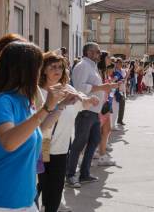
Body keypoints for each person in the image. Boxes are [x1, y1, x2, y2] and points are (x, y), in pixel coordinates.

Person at [0, 42, 71, 211]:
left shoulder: (25, 100)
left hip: (25, 200)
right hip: (3, 201)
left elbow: (38, 130)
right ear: (24, 70)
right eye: (38, 68)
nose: (39, 73)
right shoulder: (3, 101)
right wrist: (46, 108)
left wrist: (61, 105)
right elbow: (9, 142)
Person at [37, 52, 99, 212]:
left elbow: (81, 101)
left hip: (61, 148)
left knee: (56, 191)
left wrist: (89, 100)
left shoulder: (68, 88)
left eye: (60, 67)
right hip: (40, 147)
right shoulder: (37, 92)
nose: (57, 70)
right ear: (43, 70)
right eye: (53, 67)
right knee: (39, 187)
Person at [67, 42, 111, 187]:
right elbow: (80, 88)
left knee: (94, 140)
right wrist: (102, 87)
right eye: (97, 52)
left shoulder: (92, 66)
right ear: (89, 52)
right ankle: (70, 175)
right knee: (79, 143)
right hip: (85, 111)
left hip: (94, 112)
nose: (100, 54)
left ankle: (84, 173)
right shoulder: (82, 66)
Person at [114, 58, 127, 126]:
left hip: (122, 89)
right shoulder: (113, 71)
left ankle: (120, 120)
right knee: (114, 107)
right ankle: (112, 121)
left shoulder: (123, 70)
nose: (119, 64)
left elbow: (125, 81)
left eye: (121, 62)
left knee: (122, 105)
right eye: (118, 62)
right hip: (115, 90)